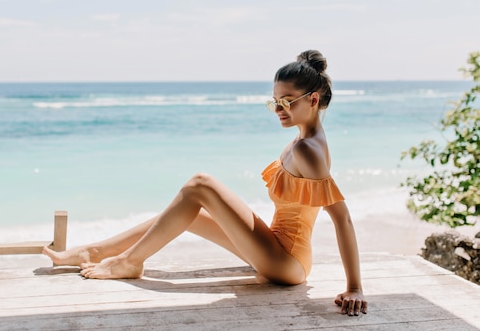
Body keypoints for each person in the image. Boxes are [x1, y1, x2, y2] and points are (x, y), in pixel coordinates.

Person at [43, 50, 368, 316]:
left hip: (286, 263)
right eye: (274, 102)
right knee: (190, 212)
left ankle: (129, 262)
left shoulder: (308, 150)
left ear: (312, 100)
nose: (278, 110)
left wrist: (354, 287)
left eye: (286, 101)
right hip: (277, 250)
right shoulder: (305, 138)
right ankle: (92, 252)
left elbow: (342, 219)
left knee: (200, 184)